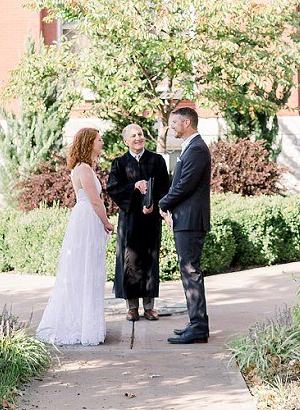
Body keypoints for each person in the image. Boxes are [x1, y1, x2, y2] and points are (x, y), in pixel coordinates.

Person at [36, 127, 115, 347]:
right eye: (99, 140)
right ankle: (80, 325)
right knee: (86, 269)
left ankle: (85, 322)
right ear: (89, 143)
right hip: (87, 218)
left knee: (88, 269)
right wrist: (106, 222)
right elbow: (95, 200)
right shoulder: (84, 169)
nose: (101, 143)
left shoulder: (85, 167)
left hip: (84, 217)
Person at [105, 123, 171, 322]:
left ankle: (149, 307)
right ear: (126, 141)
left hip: (151, 219)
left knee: (150, 260)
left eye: (140, 134)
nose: (138, 138)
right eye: (133, 135)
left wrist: (154, 204)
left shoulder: (157, 160)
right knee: (130, 261)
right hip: (130, 219)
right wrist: (134, 186)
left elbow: (165, 188)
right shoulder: (119, 163)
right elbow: (113, 188)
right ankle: (132, 307)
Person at [158, 107, 212, 345]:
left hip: (191, 221)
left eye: (174, 123)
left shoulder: (197, 149)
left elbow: (184, 186)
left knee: (191, 272)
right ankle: (195, 322)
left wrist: (161, 203)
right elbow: (178, 183)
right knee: (189, 271)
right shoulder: (191, 147)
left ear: (187, 122)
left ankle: (199, 327)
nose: (171, 127)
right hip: (185, 219)